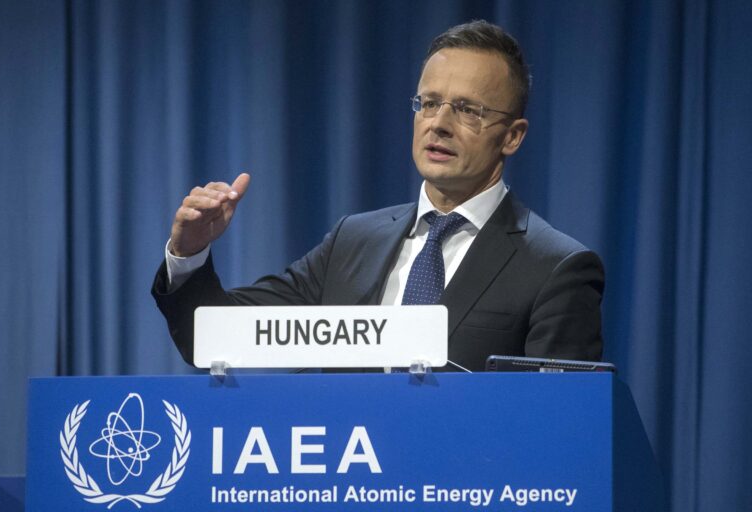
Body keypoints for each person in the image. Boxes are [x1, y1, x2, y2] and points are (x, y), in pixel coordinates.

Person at [152, 20, 604, 372]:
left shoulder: (554, 268)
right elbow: (217, 336)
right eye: (429, 103)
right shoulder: (353, 241)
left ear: (513, 136)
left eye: (468, 110)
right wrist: (189, 254)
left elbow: (557, 425)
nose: (439, 123)